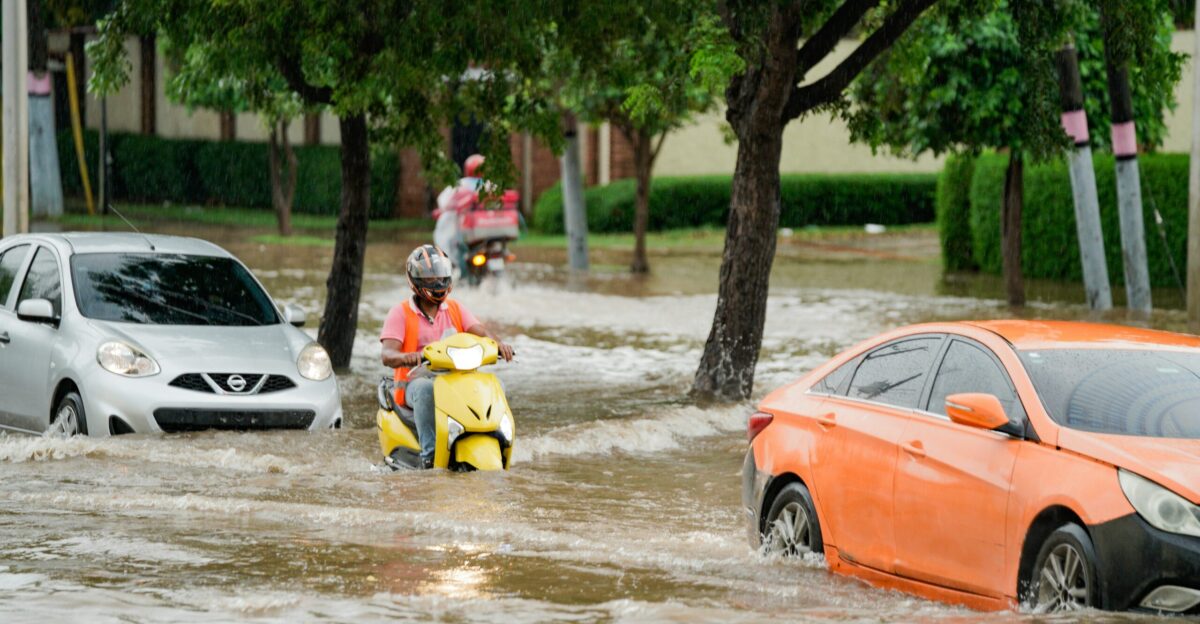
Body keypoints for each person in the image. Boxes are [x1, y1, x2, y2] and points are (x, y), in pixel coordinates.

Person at [380, 244, 514, 468]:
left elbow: (481, 332)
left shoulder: (454, 308)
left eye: (441, 276)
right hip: (414, 383)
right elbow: (387, 354)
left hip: (455, 380)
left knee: (495, 384)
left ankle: (497, 437)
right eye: (430, 278)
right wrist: (409, 357)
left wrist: (499, 345)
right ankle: (430, 455)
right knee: (426, 390)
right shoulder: (400, 312)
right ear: (415, 280)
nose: (437, 282)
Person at [433, 154, 491, 271]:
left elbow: (443, 203)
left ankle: (455, 267)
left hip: (466, 233)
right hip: (489, 233)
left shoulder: (458, 185)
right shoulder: (491, 186)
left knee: (453, 245)